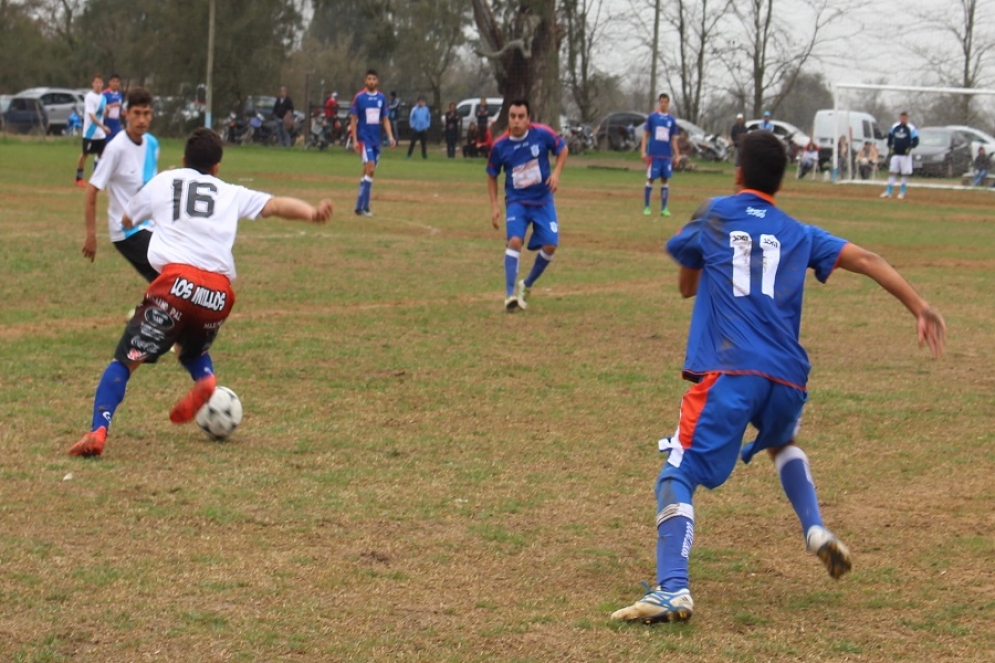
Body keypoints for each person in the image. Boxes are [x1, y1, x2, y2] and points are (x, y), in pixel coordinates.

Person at [609, 130, 946, 625]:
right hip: (787, 378)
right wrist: (919, 305)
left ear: (739, 172)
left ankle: (673, 588)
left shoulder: (716, 212)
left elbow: (686, 284)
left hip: (732, 370)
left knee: (677, 473)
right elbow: (869, 261)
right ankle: (814, 528)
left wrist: (704, 258)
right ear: (781, 183)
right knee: (782, 441)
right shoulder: (799, 231)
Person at [68, 128, 334, 458]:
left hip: (175, 285)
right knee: (190, 350)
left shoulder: (166, 181)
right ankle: (205, 379)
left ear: (182, 161)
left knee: (124, 362)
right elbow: (276, 205)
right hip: (218, 294)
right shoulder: (231, 192)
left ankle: (98, 430)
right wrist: (311, 212)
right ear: (217, 167)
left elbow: (126, 219)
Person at [486, 99, 568, 312]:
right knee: (515, 241)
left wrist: (556, 174)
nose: (516, 121)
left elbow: (562, 149)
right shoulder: (500, 145)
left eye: (521, 116)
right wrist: (495, 206)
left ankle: (527, 284)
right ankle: (509, 295)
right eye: (513, 116)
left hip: (543, 200)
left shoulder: (541, 134)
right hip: (517, 202)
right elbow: (492, 175)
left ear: (528, 118)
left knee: (551, 245)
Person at [82, 87, 160, 283]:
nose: (142, 119)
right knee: (171, 273)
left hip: (151, 228)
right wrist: (91, 235)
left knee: (168, 281)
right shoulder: (115, 149)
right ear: (126, 114)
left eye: (146, 113)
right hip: (126, 232)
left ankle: (149, 311)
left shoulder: (152, 144)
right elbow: (92, 190)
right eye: (137, 113)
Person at [349, 69, 396, 217]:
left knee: (367, 172)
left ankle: (360, 206)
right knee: (370, 168)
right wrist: (355, 140)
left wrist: (390, 136)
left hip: (376, 140)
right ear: (365, 81)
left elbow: (385, 119)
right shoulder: (359, 98)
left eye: (373, 79)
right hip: (365, 139)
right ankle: (364, 207)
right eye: (368, 79)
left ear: (377, 81)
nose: (371, 81)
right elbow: (353, 120)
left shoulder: (381, 98)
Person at [640, 93, 681, 217]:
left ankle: (664, 208)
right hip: (654, 154)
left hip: (666, 155)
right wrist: (643, 151)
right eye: (661, 102)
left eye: (666, 102)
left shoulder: (671, 120)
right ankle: (647, 207)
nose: (663, 104)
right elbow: (645, 135)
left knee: (665, 180)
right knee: (651, 179)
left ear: (668, 103)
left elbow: (673, 139)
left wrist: (677, 154)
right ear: (659, 103)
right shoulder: (652, 117)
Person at [75, 74, 109, 187]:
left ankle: (98, 179)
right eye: (96, 82)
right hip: (90, 133)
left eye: (100, 82)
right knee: (85, 154)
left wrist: (107, 111)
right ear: (93, 84)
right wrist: (103, 127)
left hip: (101, 134)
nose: (98, 85)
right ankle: (79, 178)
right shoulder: (89, 97)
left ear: (102, 84)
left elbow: (103, 115)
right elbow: (92, 116)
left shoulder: (103, 98)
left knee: (102, 156)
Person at [881, 111, 919, 199]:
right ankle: (889, 191)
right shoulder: (895, 127)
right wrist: (890, 147)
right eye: (901, 118)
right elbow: (890, 138)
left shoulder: (911, 128)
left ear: (907, 118)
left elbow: (916, 140)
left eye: (904, 118)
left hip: (905, 155)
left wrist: (910, 147)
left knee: (904, 173)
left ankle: (902, 192)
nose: (903, 119)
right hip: (896, 153)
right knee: (892, 172)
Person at [102, 74, 123, 141]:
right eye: (113, 81)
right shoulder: (105, 94)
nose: (115, 84)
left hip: (116, 124)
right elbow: (102, 108)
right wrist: (112, 105)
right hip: (107, 123)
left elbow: (120, 110)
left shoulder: (120, 95)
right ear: (109, 82)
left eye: (117, 82)